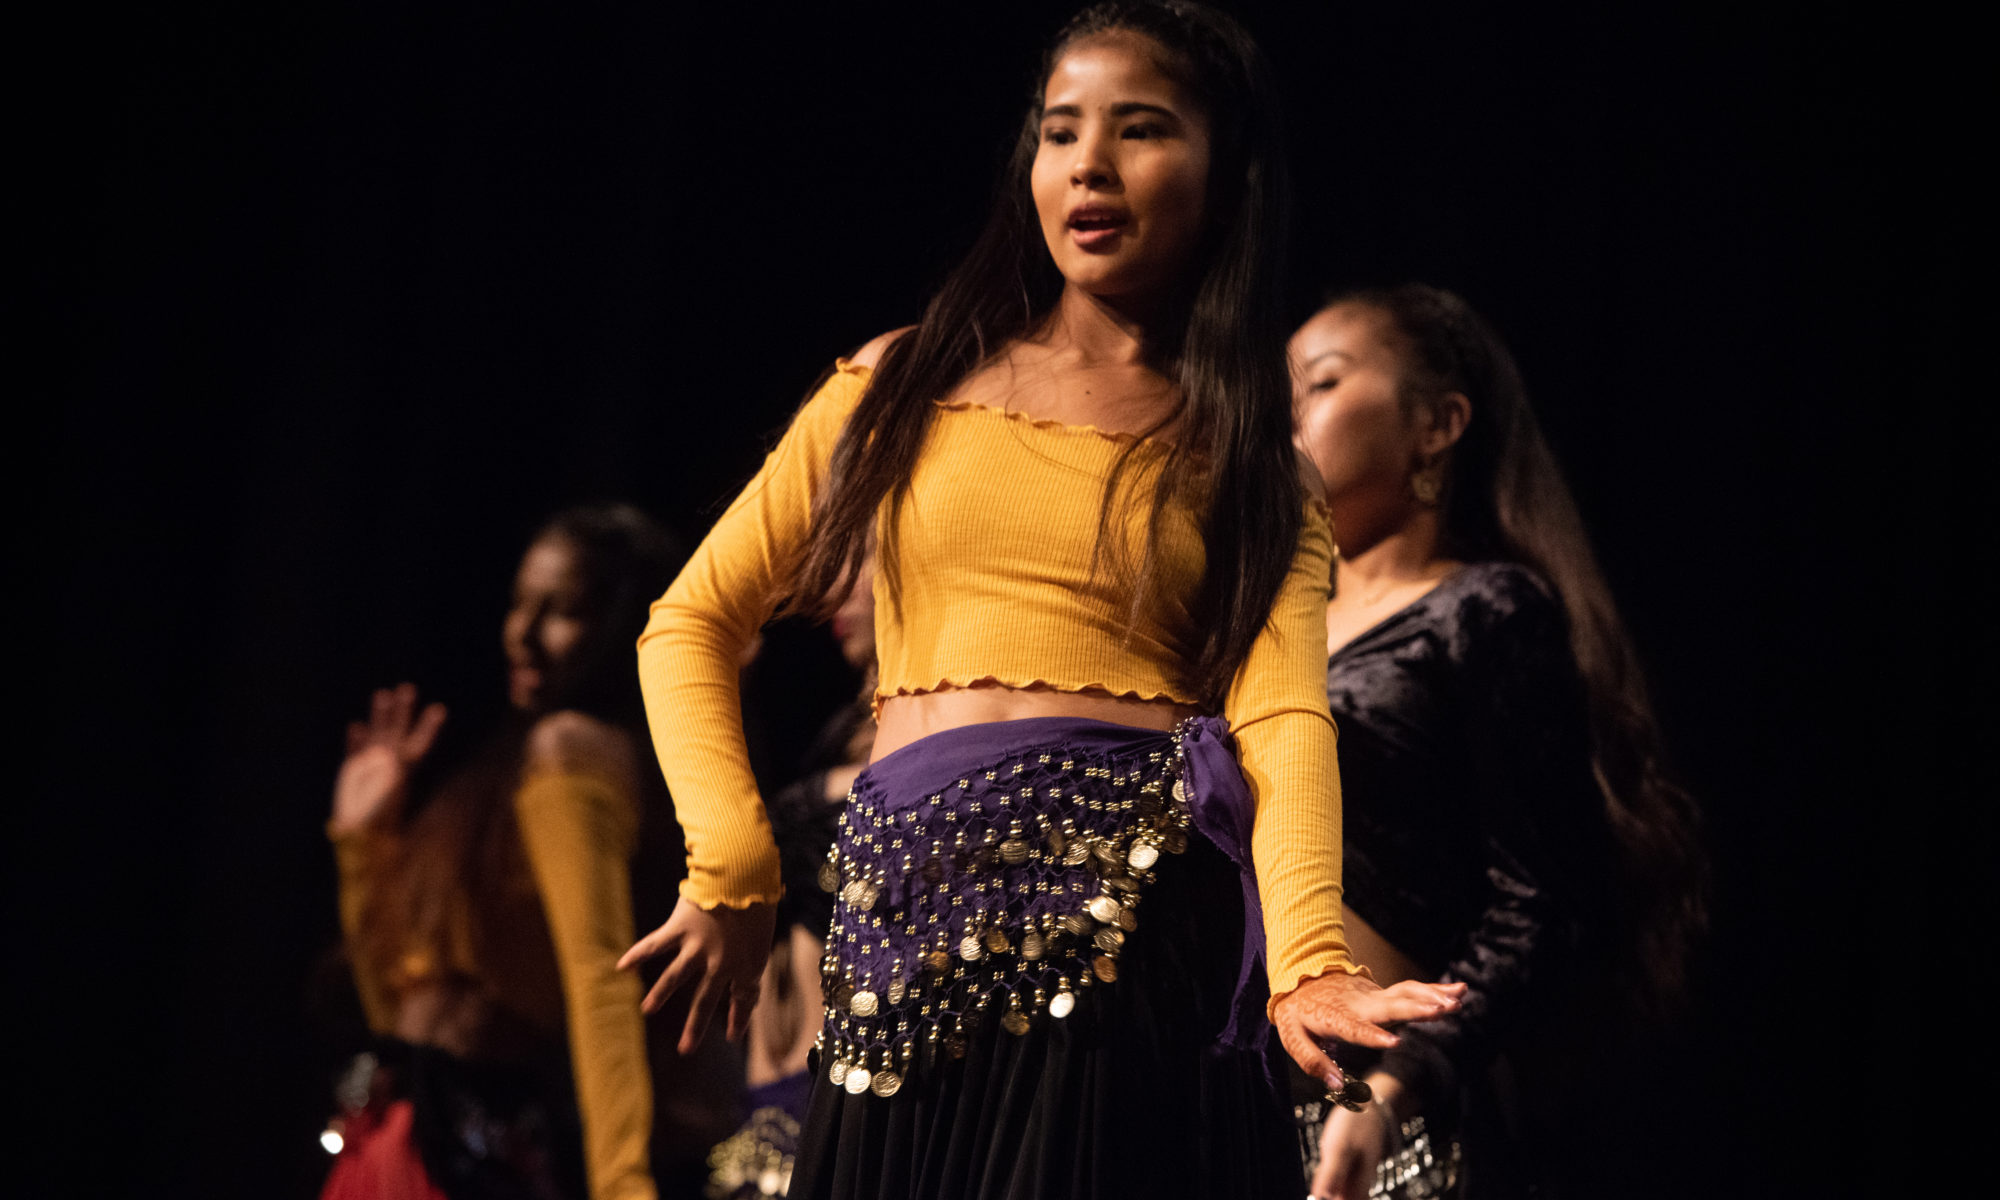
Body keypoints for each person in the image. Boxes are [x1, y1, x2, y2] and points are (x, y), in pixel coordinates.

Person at [619, 4, 1464, 1198]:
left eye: (1141, 129)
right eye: (1061, 130)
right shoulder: (899, 381)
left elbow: (1280, 721)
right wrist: (734, 861)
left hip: (1122, 953)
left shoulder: (1251, 465)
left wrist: (1308, 961)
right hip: (894, 947)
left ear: (1223, 176)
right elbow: (691, 620)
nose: (1090, 164)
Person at [1288, 285, 1705, 1199]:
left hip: (1370, 1119)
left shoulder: (1484, 612)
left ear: (1438, 427)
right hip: (1214, 1094)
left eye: (1318, 384)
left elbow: (1541, 904)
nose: (1288, 416)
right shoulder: (1264, 630)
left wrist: (1398, 1087)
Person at [323, 505, 697, 1200]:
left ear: (619, 628)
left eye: (561, 611)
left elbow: (602, 980)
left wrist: (623, 1185)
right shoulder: (495, 778)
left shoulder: (573, 756)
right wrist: (363, 845)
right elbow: (395, 1016)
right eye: (519, 603)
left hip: (477, 1153)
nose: (522, 634)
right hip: (392, 1138)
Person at [706, 564, 879, 1199]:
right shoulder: (839, 738)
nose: (837, 588)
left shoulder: (937, 756)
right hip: (759, 1121)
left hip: (846, 1120)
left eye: (866, 564)